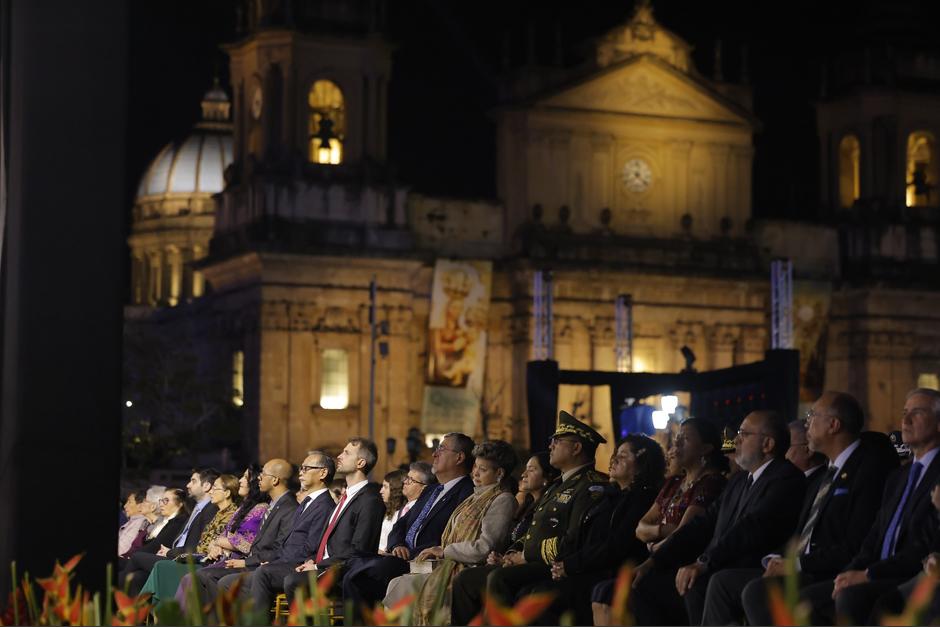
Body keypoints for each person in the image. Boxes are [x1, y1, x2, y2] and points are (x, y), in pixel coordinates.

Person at [703, 391, 899, 625]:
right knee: (722, 582)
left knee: (757, 592)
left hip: (828, 570)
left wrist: (795, 564)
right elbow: (801, 532)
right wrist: (779, 559)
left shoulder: (867, 468)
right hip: (803, 566)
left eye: (812, 415)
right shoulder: (824, 475)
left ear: (833, 425)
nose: (807, 422)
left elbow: (854, 542)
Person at [630, 410, 806, 626]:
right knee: (641, 586)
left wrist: (704, 562)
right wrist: (652, 562)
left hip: (746, 568)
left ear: (767, 444)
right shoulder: (740, 480)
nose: (736, 439)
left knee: (700, 583)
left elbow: (751, 527)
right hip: (716, 566)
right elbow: (702, 523)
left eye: (744, 434)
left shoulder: (786, 478)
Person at [450, 411, 609, 626]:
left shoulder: (590, 487)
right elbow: (533, 528)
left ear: (576, 448)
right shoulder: (558, 486)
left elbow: (573, 539)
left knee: (499, 578)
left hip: (554, 563)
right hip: (531, 558)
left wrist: (526, 555)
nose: (551, 446)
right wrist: (511, 553)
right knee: (466, 580)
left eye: (557, 441)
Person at [797, 388, 940, 624]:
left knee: (853, 597)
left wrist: (868, 574)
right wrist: (848, 573)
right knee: (808, 600)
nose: (905, 420)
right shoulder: (898, 476)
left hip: (911, 575)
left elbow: (923, 544)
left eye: (918, 412)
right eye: (904, 412)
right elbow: (874, 535)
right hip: (878, 571)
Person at [339, 433, 475, 618]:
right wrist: (397, 545)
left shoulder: (467, 492)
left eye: (441, 449)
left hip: (424, 561)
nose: (434, 454)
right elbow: (401, 524)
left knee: (361, 576)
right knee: (354, 565)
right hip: (399, 554)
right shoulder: (432, 490)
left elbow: (452, 533)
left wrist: (410, 552)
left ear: (459, 457)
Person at [384, 440, 518, 625]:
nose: (475, 473)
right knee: (397, 583)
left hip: (469, 569)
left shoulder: (503, 499)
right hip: (450, 565)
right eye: (475, 467)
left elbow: (485, 547)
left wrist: (444, 550)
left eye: (483, 469)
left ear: (500, 473)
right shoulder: (474, 497)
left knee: (404, 585)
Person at [553, 434, 666, 626]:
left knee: (548, 597)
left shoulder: (643, 498)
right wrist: (563, 563)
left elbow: (617, 544)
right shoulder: (610, 496)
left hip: (615, 571)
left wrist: (572, 565)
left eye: (623, 455)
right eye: (615, 454)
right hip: (589, 567)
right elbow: (585, 535)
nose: (614, 459)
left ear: (641, 464)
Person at [284, 438, 385, 602]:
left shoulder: (370, 500)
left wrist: (318, 566)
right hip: (325, 566)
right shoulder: (345, 498)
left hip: (344, 571)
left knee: (293, 582)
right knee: (290, 575)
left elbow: (360, 550)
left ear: (360, 462)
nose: (339, 456)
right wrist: (312, 560)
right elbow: (327, 541)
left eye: (346, 453)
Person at [190, 459, 297, 603]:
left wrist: (247, 562)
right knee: (202, 574)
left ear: (275, 480)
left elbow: (279, 549)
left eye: (263, 474)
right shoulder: (274, 505)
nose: (259, 477)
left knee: (207, 575)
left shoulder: (288, 507)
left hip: (261, 565)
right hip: (250, 561)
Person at [247, 451, 338, 615]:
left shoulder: (325, 506)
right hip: (283, 562)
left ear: (323, 473)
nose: (301, 472)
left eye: (307, 468)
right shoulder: (307, 503)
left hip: (298, 565)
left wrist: (276, 563)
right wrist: (274, 561)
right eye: (301, 468)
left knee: (261, 573)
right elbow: (287, 543)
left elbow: (311, 547)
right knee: (230, 581)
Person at [141, 474, 240, 607]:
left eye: (215, 488)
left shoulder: (232, 515)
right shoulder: (217, 513)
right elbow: (207, 542)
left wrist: (213, 546)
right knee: (150, 570)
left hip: (209, 562)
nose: (211, 491)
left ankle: (151, 611)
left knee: (160, 565)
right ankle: (151, 613)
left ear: (227, 493)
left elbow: (217, 545)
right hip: (198, 557)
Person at [634, 418, 728, 553]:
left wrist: (655, 547)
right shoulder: (674, 482)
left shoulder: (712, 483)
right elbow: (640, 529)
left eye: (685, 438)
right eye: (677, 437)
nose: (676, 442)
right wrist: (664, 530)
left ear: (705, 448)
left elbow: (682, 535)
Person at [121, 468, 221, 594]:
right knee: (138, 577)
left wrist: (170, 552)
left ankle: (112, 601)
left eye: (193, 481)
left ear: (206, 486)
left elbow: (197, 546)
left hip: (185, 561)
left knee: (136, 557)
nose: (188, 485)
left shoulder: (210, 510)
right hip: (175, 556)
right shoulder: (198, 509)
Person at [117, 488, 189, 585]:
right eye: (161, 500)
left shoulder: (178, 521)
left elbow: (158, 544)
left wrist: (132, 555)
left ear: (180, 504)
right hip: (154, 557)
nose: (161, 504)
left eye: (166, 500)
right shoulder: (171, 521)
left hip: (167, 559)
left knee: (135, 563)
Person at [500, 452, 560, 553]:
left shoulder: (548, 506)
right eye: (525, 469)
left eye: (531, 470)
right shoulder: (528, 503)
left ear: (546, 477)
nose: (523, 474)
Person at [379, 462, 434, 555]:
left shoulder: (424, 510)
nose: (405, 482)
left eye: (411, 480)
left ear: (424, 487)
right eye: (406, 478)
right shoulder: (402, 509)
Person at [379, 469, 407, 552]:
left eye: (385, 487)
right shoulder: (388, 511)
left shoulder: (404, 512)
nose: (381, 491)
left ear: (396, 489)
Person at [118, 489, 149, 557]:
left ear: (140, 505)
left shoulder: (139, 523)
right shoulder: (134, 521)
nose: (125, 506)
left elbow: (122, 549)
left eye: (129, 502)